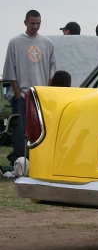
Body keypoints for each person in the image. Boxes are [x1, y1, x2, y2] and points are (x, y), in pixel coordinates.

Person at [2, 9, 57, 164]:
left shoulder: (47, 43)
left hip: (40, 94)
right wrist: (18, 93)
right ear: (25, 22)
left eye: (38, 23)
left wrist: (47, 91)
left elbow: (52, 71)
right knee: (20, 129)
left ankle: (38, 160)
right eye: (32, 23)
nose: (35, 26)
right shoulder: (15, 42)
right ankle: (20, 160)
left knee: (40, 128)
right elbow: (10, 69)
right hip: (21, 94)